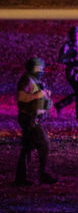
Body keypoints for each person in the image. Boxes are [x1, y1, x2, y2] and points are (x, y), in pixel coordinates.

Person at [15, 57, 57, 186]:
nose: (41, 70)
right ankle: (42, 173)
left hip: (35, 117)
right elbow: (21, 97)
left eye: (41, 68)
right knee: (44, 144)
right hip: (29, 118)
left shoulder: (35, 80)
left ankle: (21, 177)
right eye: (38, 68)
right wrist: (37, 96)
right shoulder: (27, 80)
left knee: (28, 146)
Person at [54, 26, 78, 119]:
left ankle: (60, 104)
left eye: (77, 34)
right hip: (73, 72)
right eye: (74, 34)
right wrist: (71, 60)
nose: (76, 36)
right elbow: (61, 59)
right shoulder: (67, 46)